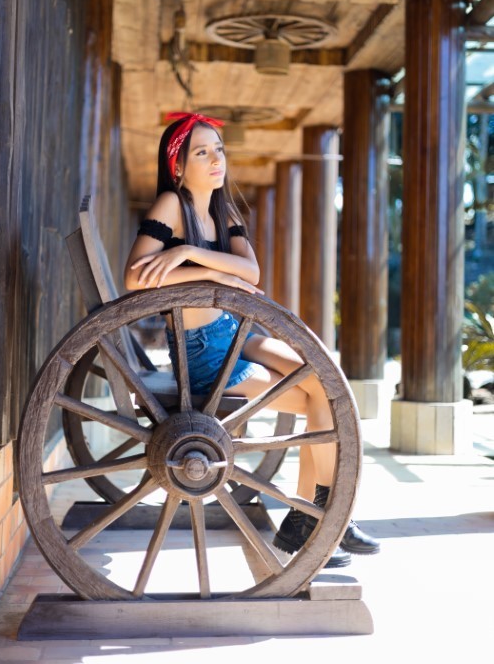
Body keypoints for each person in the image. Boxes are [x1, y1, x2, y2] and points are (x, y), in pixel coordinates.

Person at [124, 111, 379, 567]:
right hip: (203, 351)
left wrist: (190, 254)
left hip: (234, 334)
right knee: (316, 402)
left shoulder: (223, 212)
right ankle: (324, 516)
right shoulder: (171, 206)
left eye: (219, 150)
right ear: (178, 165)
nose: (215, 160)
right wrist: (201, 269)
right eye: (202, 152)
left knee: (323, 380)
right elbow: (134, 278)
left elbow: (251, 272)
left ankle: (313, 514)